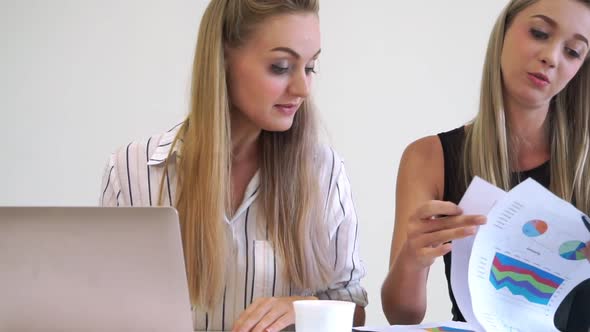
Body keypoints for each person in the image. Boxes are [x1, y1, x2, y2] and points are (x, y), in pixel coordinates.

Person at [99, 0, 367, 331]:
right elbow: (108, 311)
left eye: (310, 67)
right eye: (281, 67)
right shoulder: (132, 171)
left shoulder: (324, 172)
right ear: (223, 59)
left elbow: (354, 308)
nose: (302, 88)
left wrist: (306, 308)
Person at [381, 0, 590, 331]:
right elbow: (401, 317)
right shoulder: (427, 158)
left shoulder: (584, 165)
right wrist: (413, 258)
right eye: (539, 33)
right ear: (504, 31)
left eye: (574, 52)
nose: (551, 57)